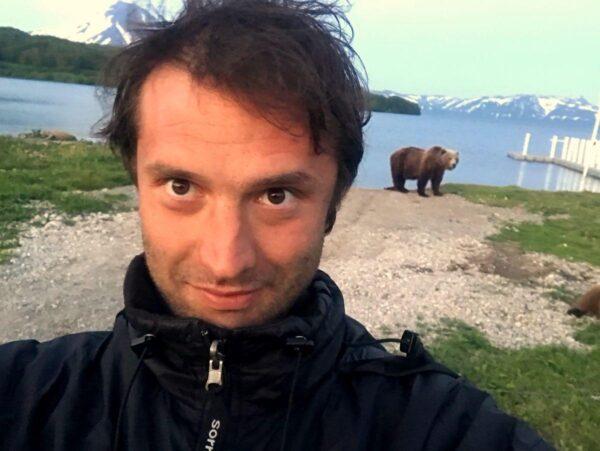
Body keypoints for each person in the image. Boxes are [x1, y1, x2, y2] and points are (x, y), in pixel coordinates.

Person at [0, 1, 553, 450]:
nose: (226, 261)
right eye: (181, 187)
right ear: (137, 184)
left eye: (276, 195)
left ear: (334, 202)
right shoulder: (28, 394)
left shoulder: (436, 427)